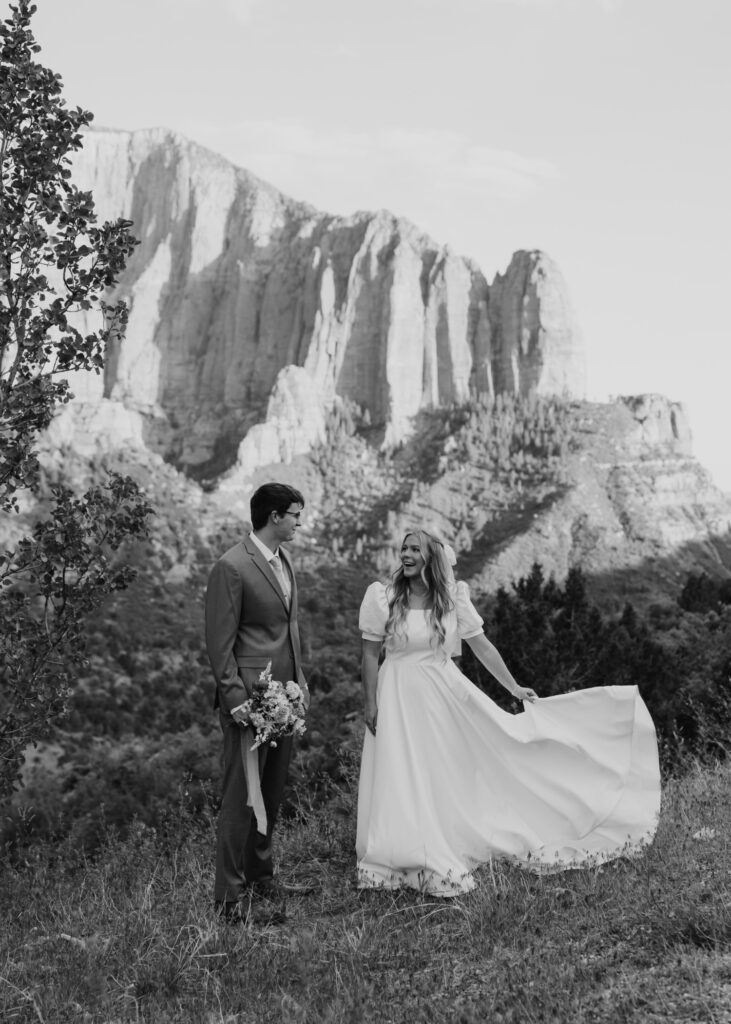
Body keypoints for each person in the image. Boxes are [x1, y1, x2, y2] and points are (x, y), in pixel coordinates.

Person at [356, 529, 660, 897]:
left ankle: (438, 840)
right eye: (403, 548)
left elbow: (482, 647)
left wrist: (514, 688)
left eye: (414, 549)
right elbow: (370, 655)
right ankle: (396, 850)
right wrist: (371, 704)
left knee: (441, 767)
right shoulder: (383, 597)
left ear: (431, 558)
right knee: (399, 767)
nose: (405, 554)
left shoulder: (452, 599)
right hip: (397, 692)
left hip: (441, 695)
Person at [205, 482, 310, 922]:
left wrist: (300, 681)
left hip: (284, 698)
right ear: (274, 517)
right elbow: (218, 643)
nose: (299, 522)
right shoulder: (231, 567)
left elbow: (290, 628)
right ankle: (229, 898)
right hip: (250, 699)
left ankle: (261, 877)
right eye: (295, 515)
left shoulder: (284, 560)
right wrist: (235, 700)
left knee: (271, 790)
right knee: (241, 797)